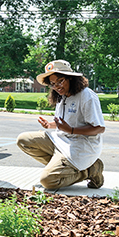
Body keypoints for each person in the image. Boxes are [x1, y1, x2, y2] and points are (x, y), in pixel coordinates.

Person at [17, 60, 105, 190]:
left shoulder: (87, 96)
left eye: (60, 81)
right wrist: (50, 125)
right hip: (61, 140)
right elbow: (65, 123)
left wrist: (71, 130)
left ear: (71, 78)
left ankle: (90, 170)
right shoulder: (62, 96)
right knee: (23, 140)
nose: (57, 86)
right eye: (52, 84)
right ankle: (68, 167)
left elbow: (99, 128)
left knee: (48, 181)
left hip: (81, 146)